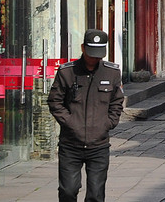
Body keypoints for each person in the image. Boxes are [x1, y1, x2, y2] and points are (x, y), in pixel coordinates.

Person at [47, 29, 124, 202]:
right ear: (83, 48)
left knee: (96, 194)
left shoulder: (111, 73)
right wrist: (71, 123)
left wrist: (108, 123)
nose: (95, 58)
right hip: (70, 144)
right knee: (68, 190)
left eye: (98, 54)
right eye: (91, 54)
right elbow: (54, 102)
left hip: (99, 145)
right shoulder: (67, 72)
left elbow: (117, 102)